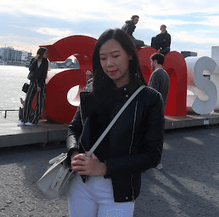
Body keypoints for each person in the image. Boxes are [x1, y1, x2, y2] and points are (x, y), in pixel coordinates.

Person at [66, 28, 165, 217]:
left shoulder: (149, 99)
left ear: (129, 54)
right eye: (103, 58)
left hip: (118, 192)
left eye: (115, 55)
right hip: (80, 185)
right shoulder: (92, 88)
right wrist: (74, 154)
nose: (109, 64)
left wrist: (104, 167)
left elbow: (153, 155)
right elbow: (74, 128)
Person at [148, 53, 169, 171]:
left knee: (150, 137)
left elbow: (152, 93)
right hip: (161, 109)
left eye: (151, 61)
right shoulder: (165, 74)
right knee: (157, 137)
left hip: (153, 110)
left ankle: (154, 162)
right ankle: (156, 161)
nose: (150, 64)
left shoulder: (156, 74)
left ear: (155, 61)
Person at [18, 47, 49, 126]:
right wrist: (35, 60)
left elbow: (43, 75)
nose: (47, 55)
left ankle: (34, 121)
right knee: (28, 101)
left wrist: (40, 85)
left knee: (39, 103)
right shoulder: (33, 60)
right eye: (46, 53)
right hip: (32, 82)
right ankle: (24, 119)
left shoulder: (45, 62)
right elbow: (31, 69)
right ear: (41, 53)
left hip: (40, 83)